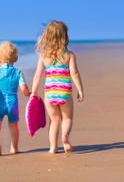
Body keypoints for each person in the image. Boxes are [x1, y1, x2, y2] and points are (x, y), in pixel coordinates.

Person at [31, 21, 84, 153]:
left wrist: (34, 92)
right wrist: (80, 89)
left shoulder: (44, 56)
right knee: (67, 118)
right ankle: (65, 138)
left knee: (54, 121)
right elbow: (74, 73)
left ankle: (53, 148)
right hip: (64, 93)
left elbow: (37, 76)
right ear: (64, 36)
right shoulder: (69, 55)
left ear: (47, 37)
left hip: (50, 94)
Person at [0, 41, 30, 156]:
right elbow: (24, 89)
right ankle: (14, 148)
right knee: (13, 126)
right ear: (16, 58)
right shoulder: (18, 72)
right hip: (12, 104)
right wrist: (29, 94)